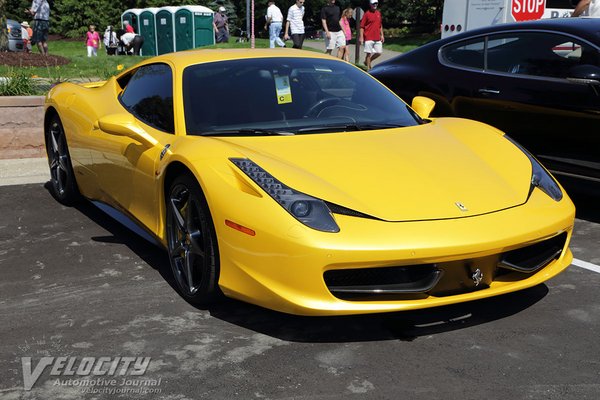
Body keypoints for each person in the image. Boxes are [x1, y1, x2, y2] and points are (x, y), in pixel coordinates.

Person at [360, 0, 384, 71]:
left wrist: (382, 35)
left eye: (376, 3)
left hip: (377, 37)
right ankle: (368, 69)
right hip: (368, 37)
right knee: (368, 54)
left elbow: (380, 25)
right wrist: (361, 37)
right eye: (373, 4)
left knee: (379, 52)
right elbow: (362, 26)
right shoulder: (367, 14)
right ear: (370, 4)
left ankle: (367, 61)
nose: (375, 5)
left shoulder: (378, 13)